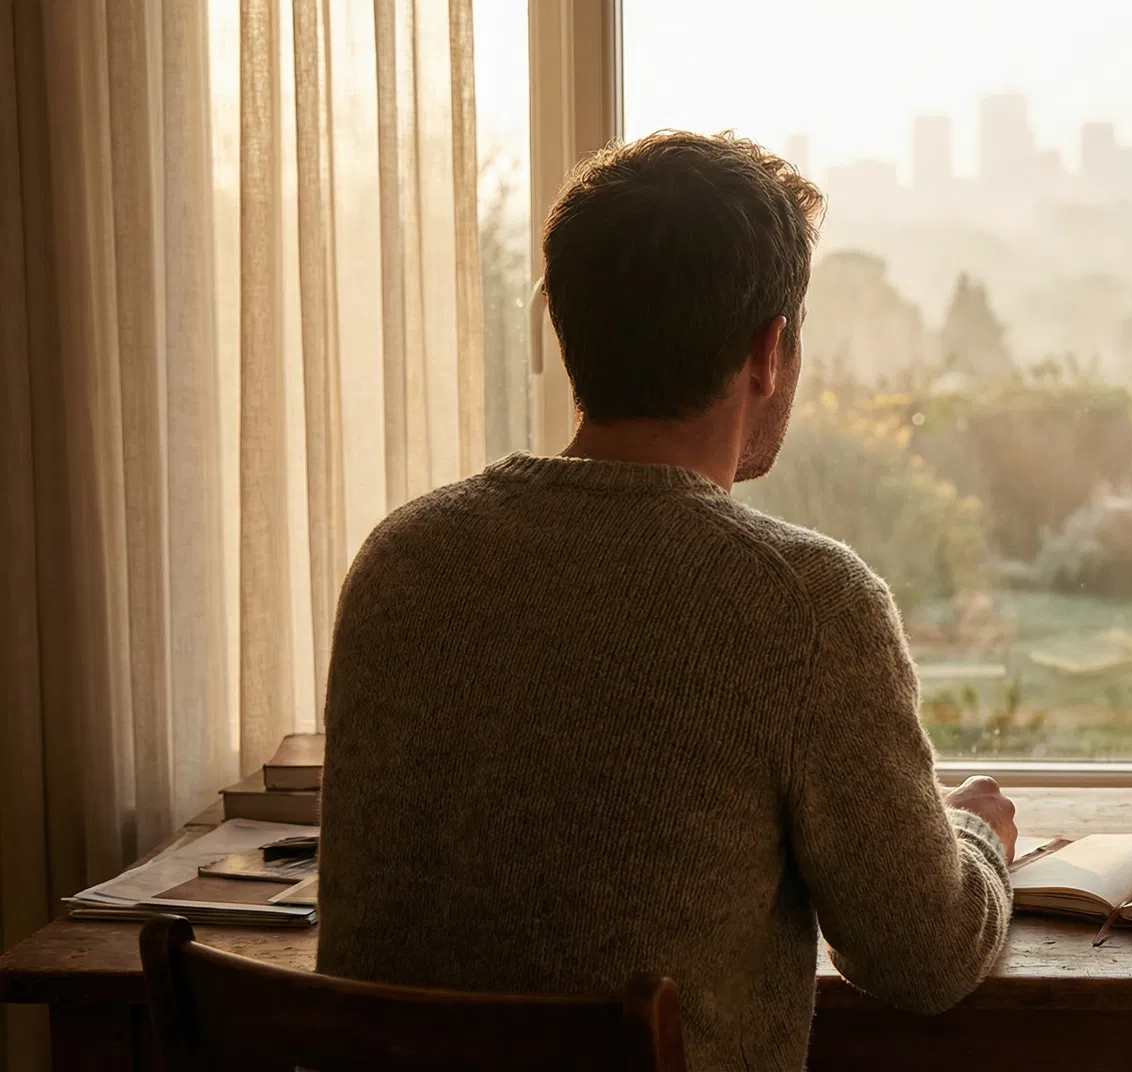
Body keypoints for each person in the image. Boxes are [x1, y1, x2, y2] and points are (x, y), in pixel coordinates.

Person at [316, 131, 1017, 1072]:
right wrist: (974, 833)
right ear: (768, 351)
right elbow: (924, 957)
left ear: (569, 332)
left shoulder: (400, 560)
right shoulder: (804, 606)